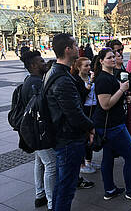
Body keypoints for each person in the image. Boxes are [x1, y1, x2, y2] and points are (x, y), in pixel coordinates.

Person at [45, 33, 95, 210]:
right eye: (74, 45)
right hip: (68, 140)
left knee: (62, 183)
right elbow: (74, 113)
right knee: (66, 187)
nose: (77, 47)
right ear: (67, 49)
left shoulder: (54, 71)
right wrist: (90, 127)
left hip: (63, 137)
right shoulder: (64, 79)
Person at [93, 48, 131, 202]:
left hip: (112, 123)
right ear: (101, 61)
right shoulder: (103, 79)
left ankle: (109, 189)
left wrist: (124, 97)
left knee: (108, 158)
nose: (113, 59)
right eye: (109, 58)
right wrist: (122, 90)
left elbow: (114, 99)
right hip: (111, 125)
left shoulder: (111, 76)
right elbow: (105, 104)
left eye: (114, 57)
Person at [20, 51, 55, 211]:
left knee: (40, 162)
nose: (44, 63)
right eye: (41, 61)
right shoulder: (37, 83)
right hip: (39, 131)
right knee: (51, 164)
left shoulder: (30, 80)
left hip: (33, 131)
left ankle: (40, 194)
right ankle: (51, 202)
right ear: (33, 65)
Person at [70, 57, 99, 174]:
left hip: (94, 108)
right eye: (86, 66)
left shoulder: (90, 77)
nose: (89, 68)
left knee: (91, 136)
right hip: (84, 110)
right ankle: (82, 164)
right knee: (84, 137)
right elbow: (82, 94)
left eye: (89, 65)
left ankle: (89, 160)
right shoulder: (76, 80)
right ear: (78, 67)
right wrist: (91, 82)